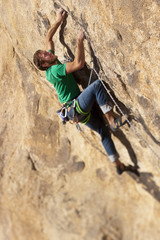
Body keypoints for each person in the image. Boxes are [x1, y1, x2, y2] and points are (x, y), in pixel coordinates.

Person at [33, 8, 137, 175]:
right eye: (45, 55)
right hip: (76, 106)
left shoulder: (50, 61)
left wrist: (59, 21)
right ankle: (111, 120)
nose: (48, 53)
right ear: (44, 65)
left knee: (103, 133)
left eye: (45, 52)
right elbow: (78, 64)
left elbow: (48, 37)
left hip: (76, 111)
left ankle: (117, 164)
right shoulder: (54, 71)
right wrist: (79, 41)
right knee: (97, 86)